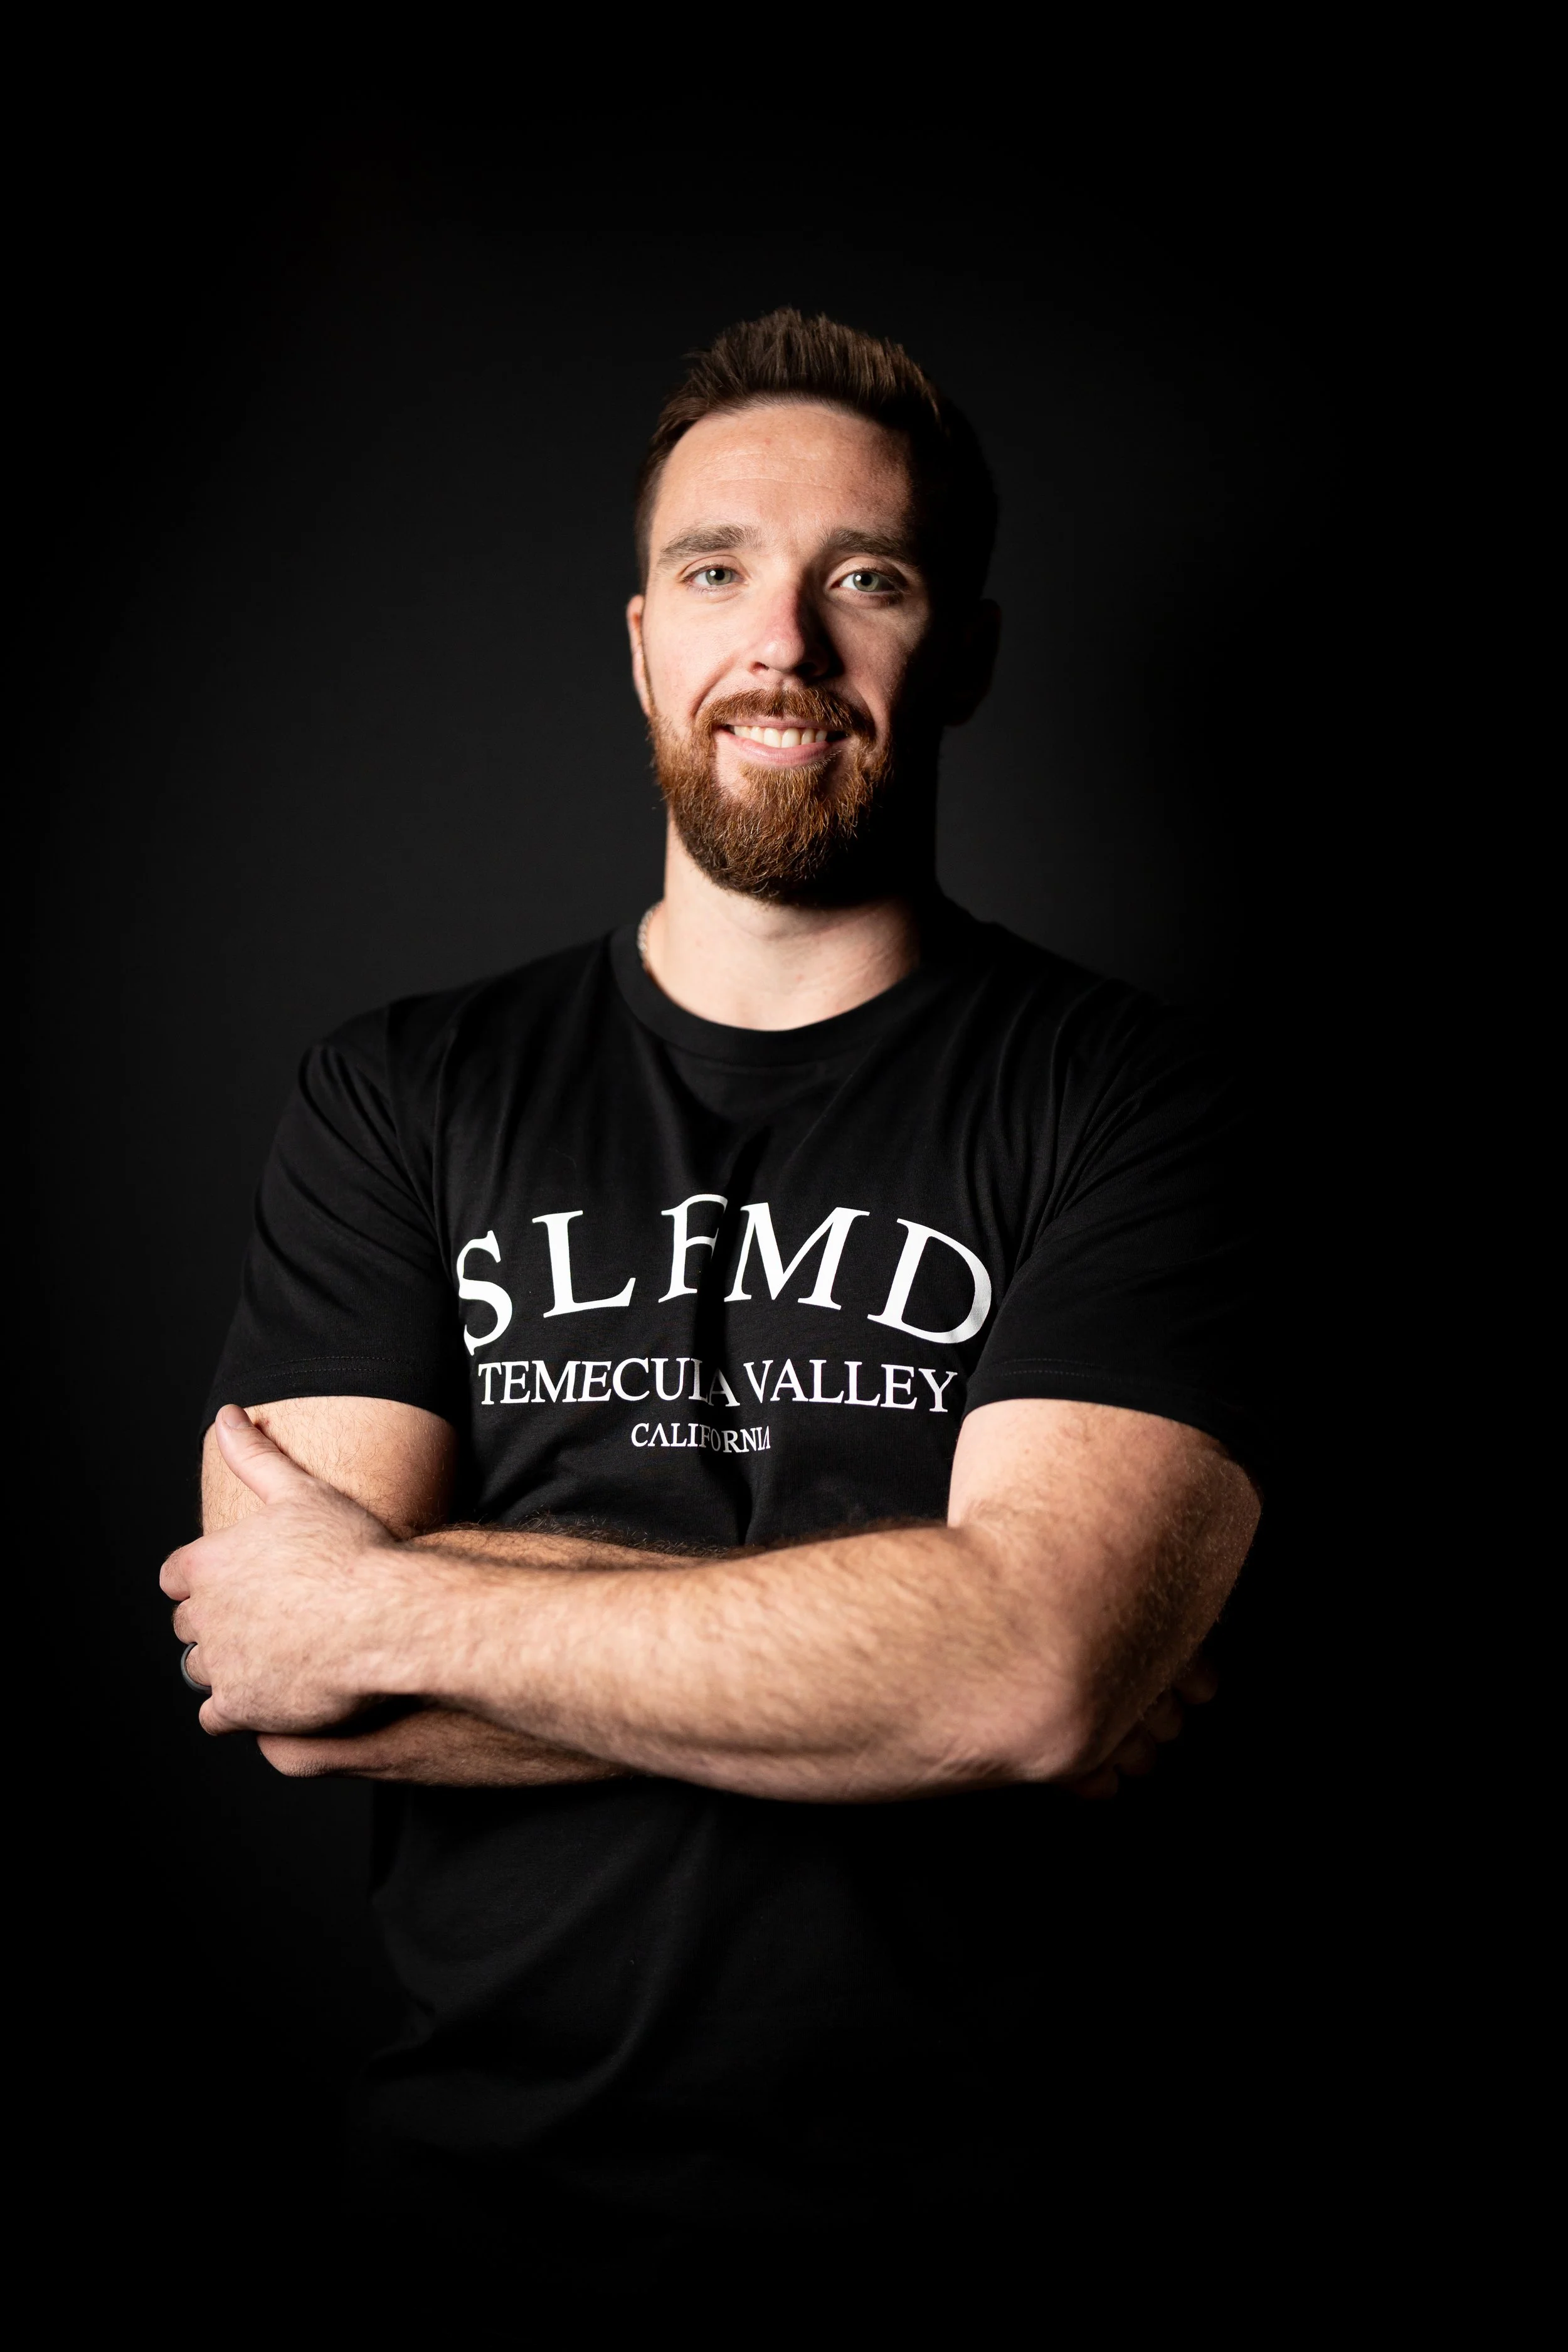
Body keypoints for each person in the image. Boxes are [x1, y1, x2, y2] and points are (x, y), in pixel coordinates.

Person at [164, 309, 1263, 2292]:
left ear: (968, 656)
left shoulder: (1125, 1096)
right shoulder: (400, 1089)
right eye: (714, 572)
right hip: (467, 2233)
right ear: (643, 642)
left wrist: (394, 1596)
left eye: (870, 577)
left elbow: (1025, 1670)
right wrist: (923, 1665)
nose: (786, 641)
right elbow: (295, 1692)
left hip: (1007, 2246)